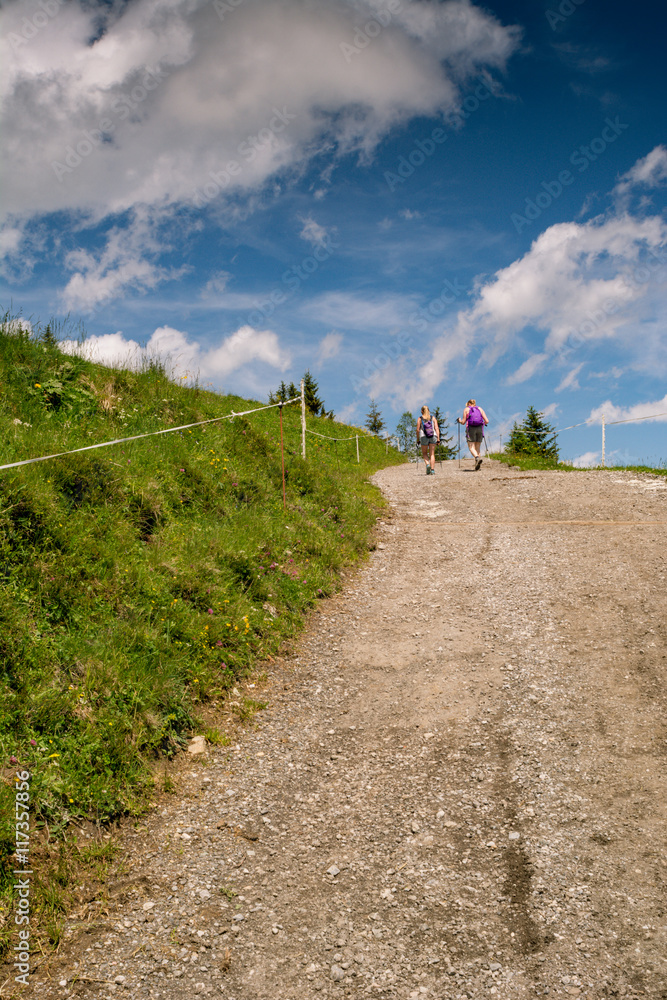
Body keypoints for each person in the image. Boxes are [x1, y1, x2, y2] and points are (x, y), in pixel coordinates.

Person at [457, 399, 488, 470]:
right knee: (477, 448)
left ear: (468, 404)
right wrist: (483, 424)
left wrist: (459, 420)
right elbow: (487, 421)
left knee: (471, 447)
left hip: (471, 428)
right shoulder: (480, 408)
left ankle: (477, 458)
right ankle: (477, 465)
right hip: (480, 428)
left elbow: (463, 422)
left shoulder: (466, 409)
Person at [416, 405, 440, 475]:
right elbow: (437, 428)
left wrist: (418, 439)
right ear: (428, 411)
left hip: (423, 436)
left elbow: (417, 430)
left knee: (424, 453)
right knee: (432, 454)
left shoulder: (420, 419)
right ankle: (432, 470)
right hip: (433, 436)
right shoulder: (433, 418)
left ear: (422, 411)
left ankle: (427, 465)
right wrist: (438, 438)